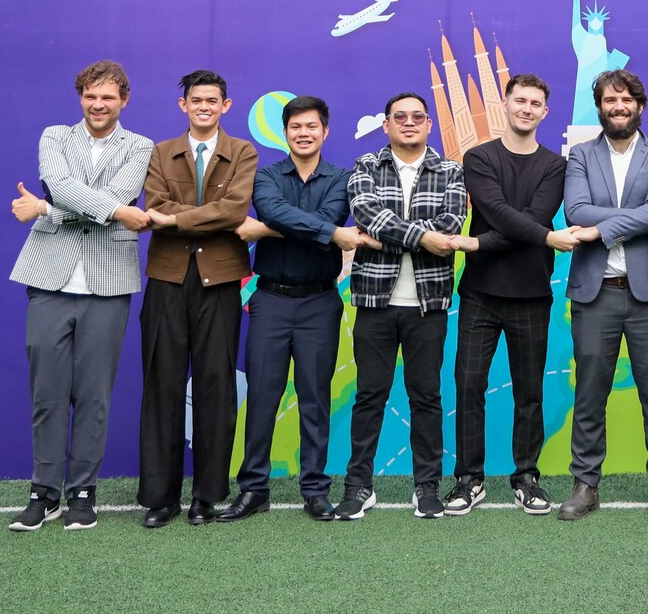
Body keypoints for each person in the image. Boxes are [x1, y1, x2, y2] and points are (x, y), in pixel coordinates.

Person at [6, 60, 154, 532]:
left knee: (94, 397)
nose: (98, 104)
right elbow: (66, 187)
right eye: (90, 96)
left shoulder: (141, 146)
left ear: (124, 100)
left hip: (108, 286)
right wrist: (105, 209)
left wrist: (45, 208)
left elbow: (117, 194)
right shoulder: (54, 136)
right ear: (80, 98)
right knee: (46, 395)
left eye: (107, 96)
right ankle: (43, 493)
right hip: (48, 280)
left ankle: (83, 494)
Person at [218, 95, 381, 524]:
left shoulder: (342, 179)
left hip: (319, 302)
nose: (304, 133)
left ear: (325, 131)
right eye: (296, 127)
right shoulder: (266, 175)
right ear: (285, 132)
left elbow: (308, 217)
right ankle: (253, 489)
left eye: (312, 126)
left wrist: (268, 230)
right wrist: (330, 233)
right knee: (262, 397)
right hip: (270, 300)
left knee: (315, 398)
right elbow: (277, 211)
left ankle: (314, 490)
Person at [556, 69, 648, 521]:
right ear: (599, 107)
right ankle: (585, 484)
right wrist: (637, 219)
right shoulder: (581, 154)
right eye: (610, 100)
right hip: (596, 293)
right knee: (590, 393)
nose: (618, 107)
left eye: (626, 99)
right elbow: (575, 210)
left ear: (640, 105)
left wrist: (600, 229)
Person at [443, 74, 575, 517]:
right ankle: (469, 479)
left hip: (531, 293)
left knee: (529, 391)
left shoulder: (555, 166)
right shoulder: (479, 157)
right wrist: (545, 237)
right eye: (520, 101)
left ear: (545, 112)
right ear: (506, 103)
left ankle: (526, 478)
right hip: (480, 293)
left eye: (535, 104)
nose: (526, 109)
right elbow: (499, 214)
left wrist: (479, 243)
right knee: (469, 386)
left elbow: (532, 219)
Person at [137, 69, 259, 527]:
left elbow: (235, 210)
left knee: (216, 386)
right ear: (183, 105)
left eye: (212, 100)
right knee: (162, 385)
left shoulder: (242, 151)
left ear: (225, 106)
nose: (204, 107)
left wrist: (175, 220)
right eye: (196, 100)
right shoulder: (160, 152)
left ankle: (206, 496)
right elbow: (155, 205)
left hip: (221, 280)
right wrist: (197, 216)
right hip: (167, 278)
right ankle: (160, 498)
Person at [340, 92, 468, 521]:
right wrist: (424, 238)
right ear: (386, 125)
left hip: (428, 304)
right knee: (369, 396)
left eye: (417, 117)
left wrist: (396, 235)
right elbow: (367, 214)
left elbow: (450, 223)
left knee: (426, 397)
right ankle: (358, 486)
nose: (409, 122)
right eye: (400, 117)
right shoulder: (366, 166)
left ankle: (426, 486)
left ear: (429, 124)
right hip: (375, 302)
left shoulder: (450, 170)